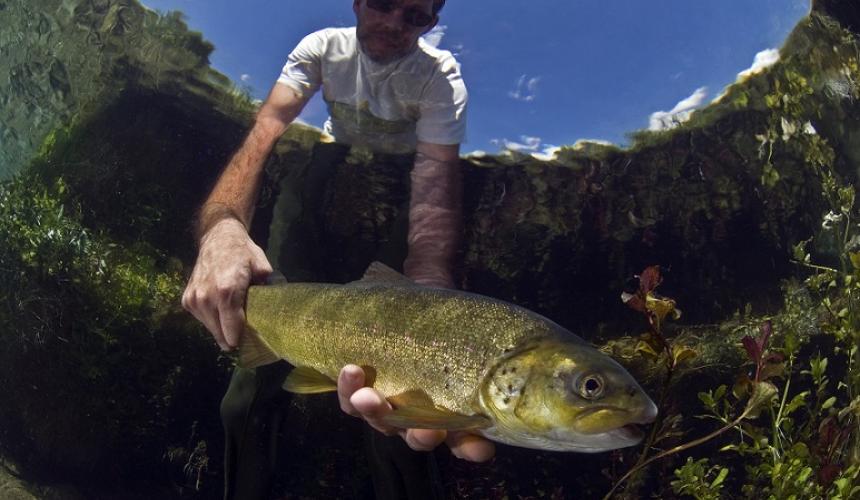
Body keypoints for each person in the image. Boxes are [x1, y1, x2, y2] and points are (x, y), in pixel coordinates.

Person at [181, 0, 494, 498]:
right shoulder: (322, 47)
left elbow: (433, 185)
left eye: (414, 16)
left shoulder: (440, 77)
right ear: (356, 2)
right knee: (252, 378)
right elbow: (265, 133)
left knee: (404, 409)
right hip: (329, 159)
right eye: (383, 3)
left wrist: (433, 298)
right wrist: (222, 227)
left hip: (400, 179)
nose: (393, 23)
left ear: (432, 24)